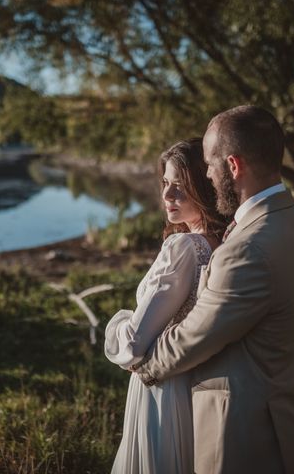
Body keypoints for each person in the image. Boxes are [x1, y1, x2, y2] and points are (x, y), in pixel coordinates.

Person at [132, 106, 294, 474]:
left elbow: (197, 335)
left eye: (209, 163)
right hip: (289, 416)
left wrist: (143, 363)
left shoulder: (248, 248)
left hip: (244, 434)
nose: (205, 173)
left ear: (233, 166)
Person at [105, 138, 229, 473]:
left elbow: (133, 343)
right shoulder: (224, 242)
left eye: (179, 185)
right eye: (164, 184)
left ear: (203, 188)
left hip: (162, 387)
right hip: (195, 384)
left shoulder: (183, 247)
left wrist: (115, 325)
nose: (167, 196)